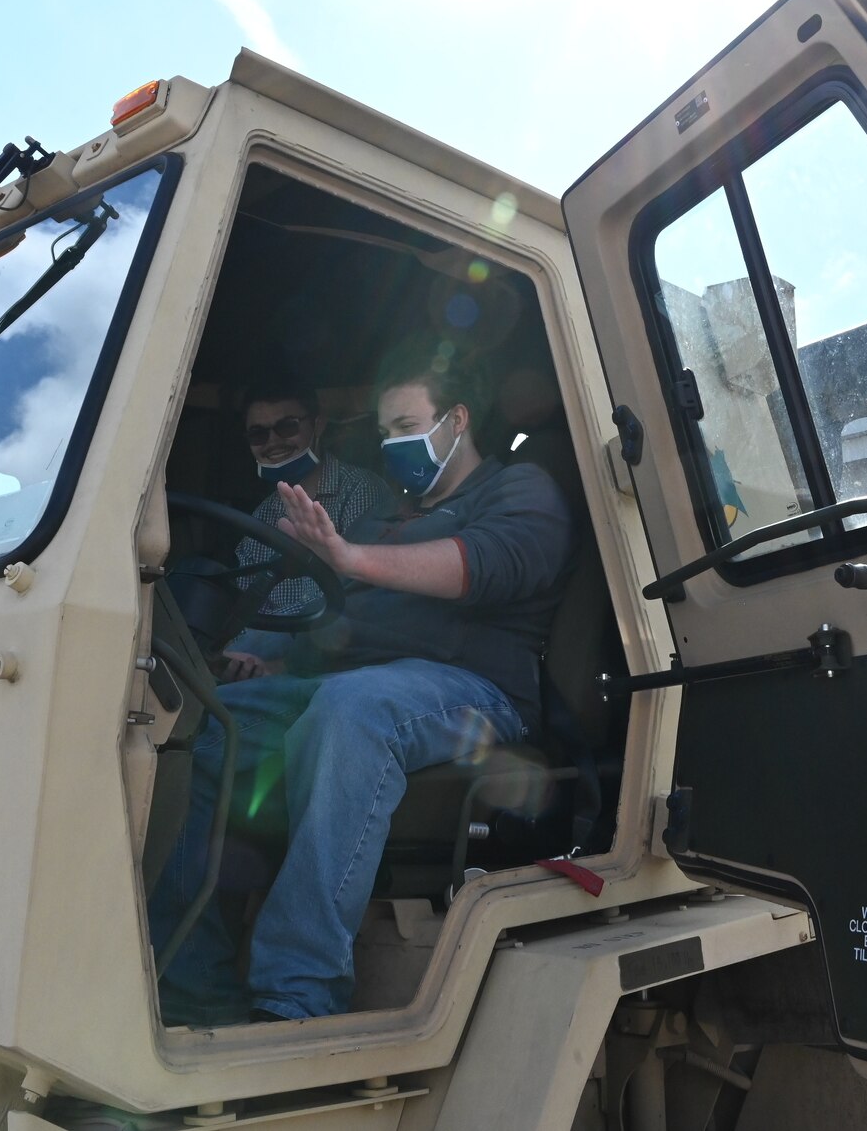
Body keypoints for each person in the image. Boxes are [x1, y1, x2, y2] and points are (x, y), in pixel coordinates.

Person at [150, 348, 573, 1024]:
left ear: (456, 420)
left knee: (352, 710)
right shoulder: (390, 519)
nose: (391, 444)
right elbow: (346, 627)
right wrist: (280, 667)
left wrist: (350, 556)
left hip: (473, 691)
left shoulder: (518, 489)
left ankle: (296, 990)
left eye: (406, 423)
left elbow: (486, 566)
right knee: (202, 720)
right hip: (359, 681)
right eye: (384, 432)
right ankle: (193, 984)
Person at [224, 378, 391, 681]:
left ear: (318, 424)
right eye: (258, 434)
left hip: (340, 655)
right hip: (268, 651)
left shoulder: (361, 491)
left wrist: (283, 667)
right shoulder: (259, 518)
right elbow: (247, 612)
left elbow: (366, 604)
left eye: (287, 427)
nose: (273, 442)